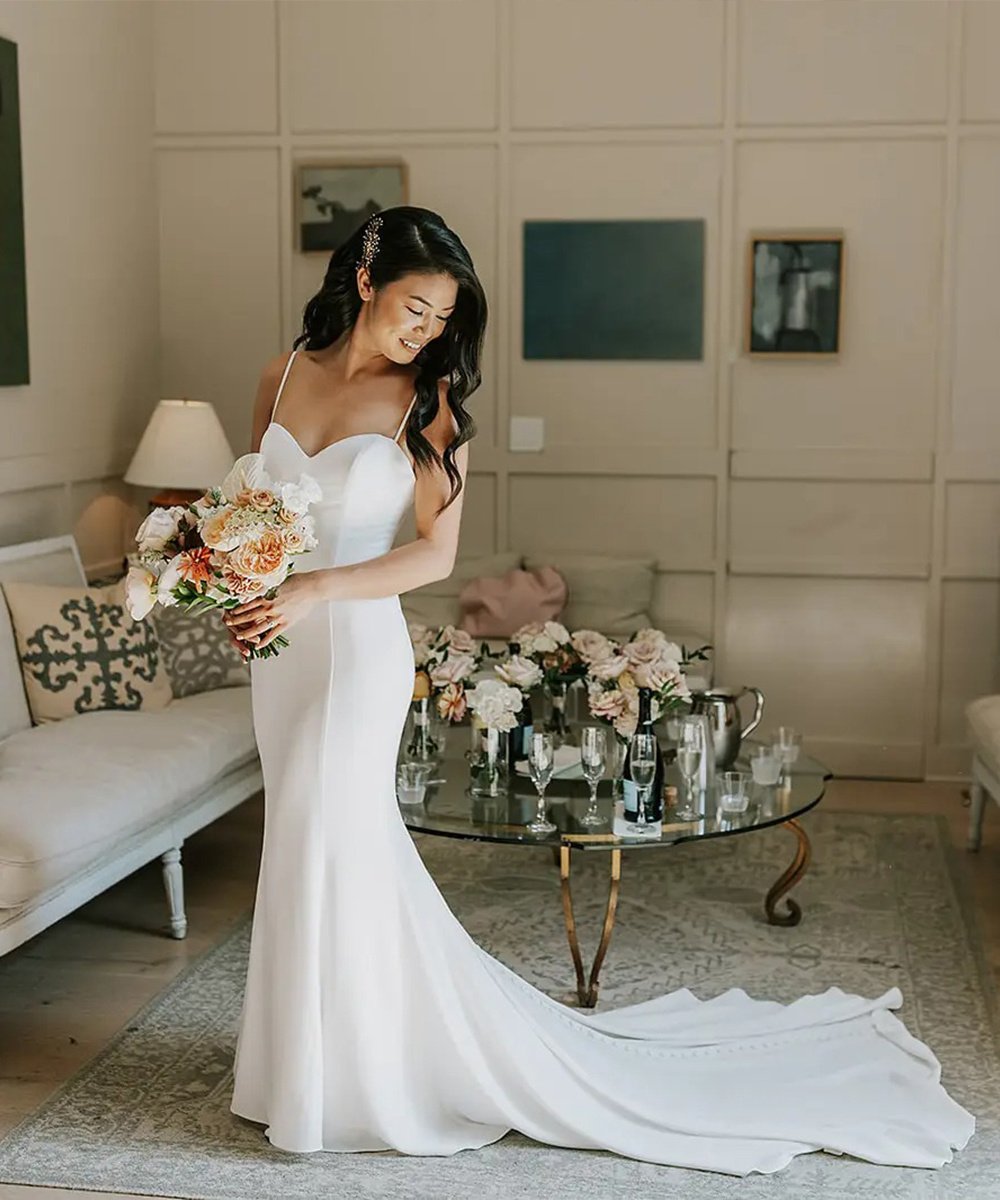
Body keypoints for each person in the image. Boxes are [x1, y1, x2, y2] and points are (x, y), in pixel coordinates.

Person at [222, 206, 973, 1174]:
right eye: (414, 307)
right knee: (301, 842)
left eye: (442, 317)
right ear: (364, 280)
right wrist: (235, 583)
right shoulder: (277, 376)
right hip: (276, 651)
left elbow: (432, 554)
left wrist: (316, 587)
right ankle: (301, 1067)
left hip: (354, 648)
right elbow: (250, 511)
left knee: (338, 837)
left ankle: (363, 1073)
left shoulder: (431, 401)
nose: (425, 329)